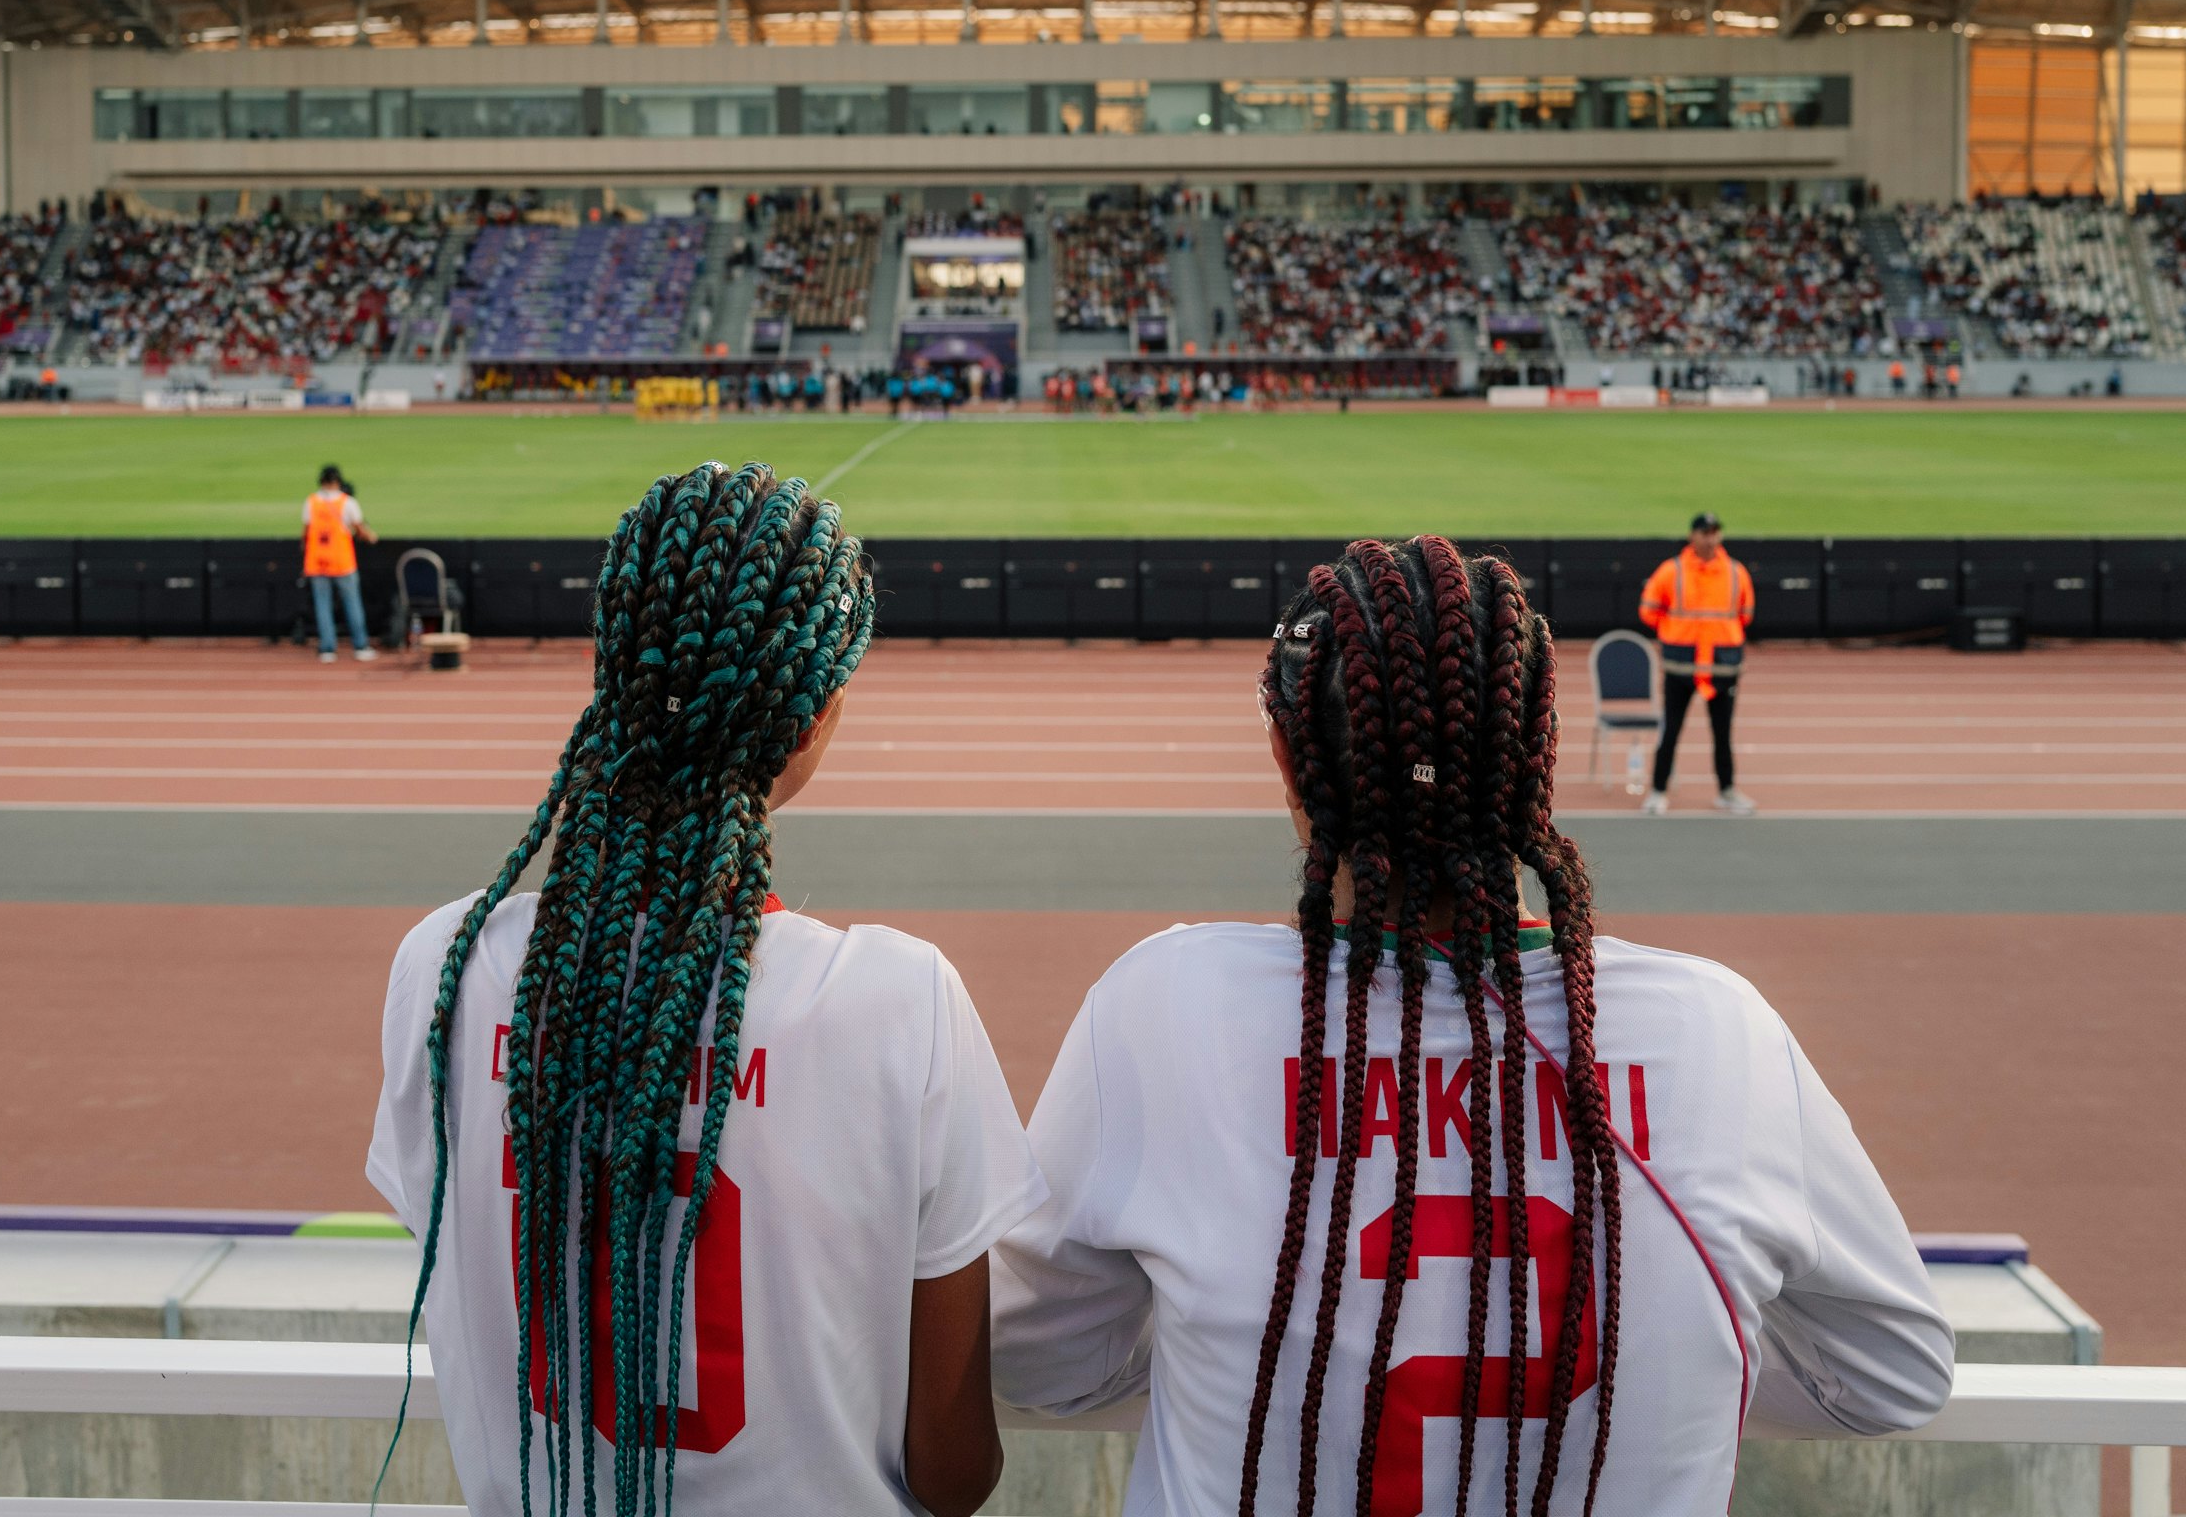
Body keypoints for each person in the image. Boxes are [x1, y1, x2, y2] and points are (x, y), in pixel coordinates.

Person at [993, 538, 1952, 1515]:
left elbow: (1041, 1366)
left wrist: (1233, 1361)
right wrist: (1677, 1382)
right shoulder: (1721, 1031)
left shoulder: (1164, 1004)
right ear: (1535, 755)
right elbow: (1892, 1374)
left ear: (1291, 755)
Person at [369, 463, 1041, 1517]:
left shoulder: (444, 969)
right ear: (815, 714)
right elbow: (956, 1471)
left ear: (610, 668)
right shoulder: (900, 1002)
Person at [1638, 514, 1755, 815]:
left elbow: (1744, 613)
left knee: (1722, 733)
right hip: (1681, 666)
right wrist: (1675, 632)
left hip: (1721, 668)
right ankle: (1658, 791)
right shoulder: (1672, 571)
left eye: (1715, 532)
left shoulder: (1735, 571)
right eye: (1705, 533)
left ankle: (1727, 791)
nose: (1710, 538)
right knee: (1671, 731)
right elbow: (1649, 610)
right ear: (1693, 536)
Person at [303, 465, 378, 663]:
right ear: (338, 481)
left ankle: (327, 649)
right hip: (342, 561)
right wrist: (370, 537)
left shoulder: (311, 502)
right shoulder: (347, 502)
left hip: (317, 561)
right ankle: (360, 646)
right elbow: (360, 529)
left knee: (322, 605)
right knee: (352, 603)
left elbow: (306, 532)